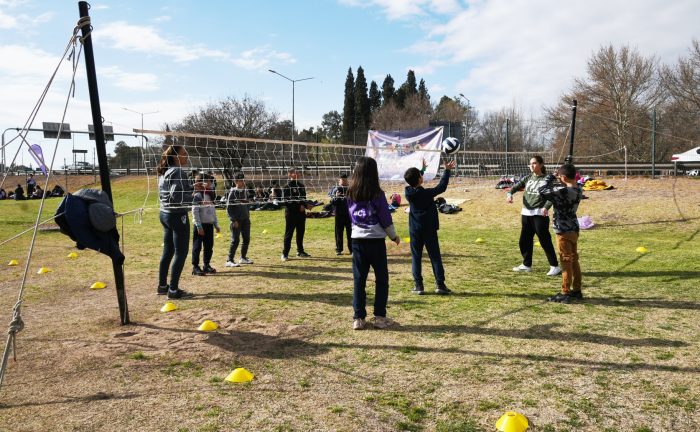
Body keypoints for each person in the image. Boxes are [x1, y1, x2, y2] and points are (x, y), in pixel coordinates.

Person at [347, 156, 400, 330]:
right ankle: (379, 317)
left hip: (358, 241)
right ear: (373, 173)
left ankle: (358, 318)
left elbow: (351, 216)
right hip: (375, 242)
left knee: (359, 280)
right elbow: (385, 218)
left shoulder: (350, 192)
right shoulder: (378, 194)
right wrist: (393, 236)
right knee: (382, 279)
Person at [404, 159, 456, 295]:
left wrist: (421, 171)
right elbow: (442, 187)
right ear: (420, 179)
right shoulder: (427, 193)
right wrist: (447, 170)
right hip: (429, 229)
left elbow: (413, 181)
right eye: (421, 176)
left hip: (415, 230)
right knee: (434, 256)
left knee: (416, 257)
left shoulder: (408, 192)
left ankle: (418, 286)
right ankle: (440, 284)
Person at [506, 156, 561, 276]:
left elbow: (553, 196)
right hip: (526, 213)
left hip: (539, 214)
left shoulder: (547, 178)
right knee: (524, 241)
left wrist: (546, 207)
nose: (532, 165)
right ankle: (526, 265)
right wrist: (509, 194)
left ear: (541, 165)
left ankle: (554, 266)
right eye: (530, 163)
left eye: (535, 163)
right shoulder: (527, 178)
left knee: (544, 240)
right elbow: (514, 188)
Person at [538, 163, 583, 303]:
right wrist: (560, 178)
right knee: (574, 259)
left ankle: (565, 291)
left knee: (565, 261)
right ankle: (576, 290)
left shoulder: (563, 191)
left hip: (563, 230)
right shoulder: (578, 189)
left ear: (563, 177)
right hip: (574, 228)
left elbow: (542, 189)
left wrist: (551, 176)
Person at [157, 144, 194, 299]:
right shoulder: (178, 171)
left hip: (165, 214)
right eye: (184, 153)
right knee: (181, 252)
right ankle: (173, 290)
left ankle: (162, 286)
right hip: (177, 216)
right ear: (175, 156)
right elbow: (176, 196)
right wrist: (195, 198)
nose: (187, 156)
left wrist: (192, 188)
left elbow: (174, 192)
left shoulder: (166, 171)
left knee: (168, 251)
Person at [281, 167, 313, 261]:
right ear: (290, 174)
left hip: (301, 214)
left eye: (298, 173)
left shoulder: (301, 186)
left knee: (300, 232)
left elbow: (303, 199)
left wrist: (307, 205)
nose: (298, 174)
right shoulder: (287, 187)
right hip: (291, 214)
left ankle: (300, 251)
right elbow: (286, 202)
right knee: (289, 234)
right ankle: (285, 253)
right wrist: (299, 206)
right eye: (295, 173)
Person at [191, 173, 220, 276]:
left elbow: (213, 211)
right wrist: (199, 226)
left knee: (208, 246)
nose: (210, 183)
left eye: (210, 181)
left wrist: (216, 224)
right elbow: (195, 211)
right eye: (208, 181)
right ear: (202, 182)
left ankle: (206, 265)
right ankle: (195, 267)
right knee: (197, 247)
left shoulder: (210, 195)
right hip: (200, 226)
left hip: (209, 225)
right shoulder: (198, 195)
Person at [226, 172, 254, 267]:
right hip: (237, 220)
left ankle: (243, 258)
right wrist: (233, 220)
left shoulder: (246, 191)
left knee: (246, 239)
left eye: (243, 180)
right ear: (235, 181)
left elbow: (248, 204)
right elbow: (229, 208)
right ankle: (229, 260)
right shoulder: (233, 192)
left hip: (246, 219)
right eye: (240, 180)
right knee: (235, 240)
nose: (242, 182)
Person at [330, 173, 351, 255]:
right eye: (343, 180)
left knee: (350, 232)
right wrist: (336, 197)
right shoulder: (336, 189)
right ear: (339, 180)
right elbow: (332, 202)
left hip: (349, 215)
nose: (344, 181)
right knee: (339, 232)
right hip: (339, 215)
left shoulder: (350, 189)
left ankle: (352, 250)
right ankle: (339, 249)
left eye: (346, 180)